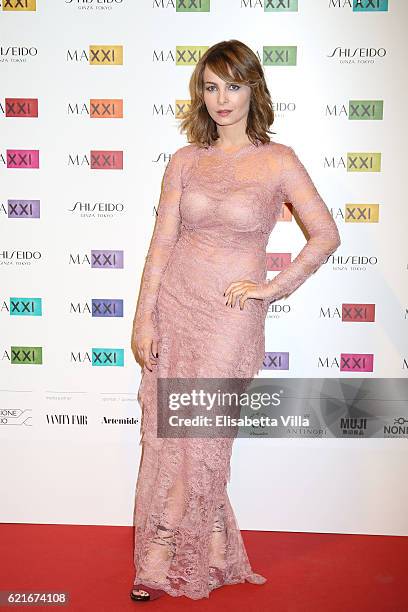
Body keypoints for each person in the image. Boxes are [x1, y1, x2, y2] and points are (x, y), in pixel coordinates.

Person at [130, 39, 341, 602]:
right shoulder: (185, 161)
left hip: (229, 321)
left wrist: (272, 288)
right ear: (201, 94)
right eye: (211, 86)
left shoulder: (278, 161)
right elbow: (161, 245)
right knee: (170, 438)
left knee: (200, 437)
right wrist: (143, 319)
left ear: (254, 89)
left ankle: (164, 547)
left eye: (234, 85)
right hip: (176, 306)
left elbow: (326, 235)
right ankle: (216, 545)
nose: (222, 98)